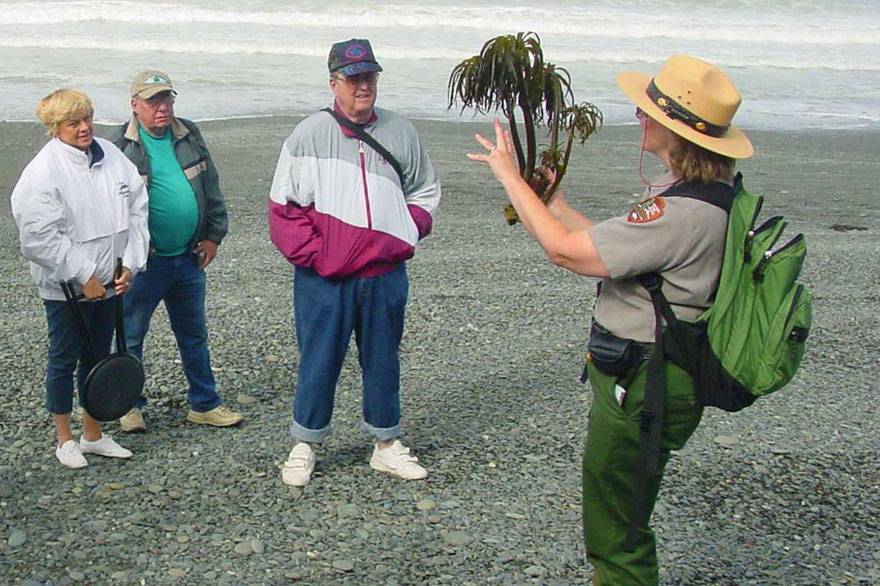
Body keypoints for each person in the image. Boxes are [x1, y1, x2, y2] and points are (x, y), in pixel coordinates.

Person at [468, 55, 754, 585]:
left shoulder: (682, 213)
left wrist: (511, 179)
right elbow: (619, 251)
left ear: (676, 132)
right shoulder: (710, 201)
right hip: (663, 373)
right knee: (624, 511)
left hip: (646, 381)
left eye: (650, 113)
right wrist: (556, 203)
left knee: (615, 530)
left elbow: (568, 254)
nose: (639, 118)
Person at [269, 39, 441, 486]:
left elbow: (425, 190)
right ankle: (305, 443)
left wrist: (406, 231)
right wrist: (319, 258)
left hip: (384, 274)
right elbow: (283, 208)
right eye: (353, 78)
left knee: (383, 358)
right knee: (318, 358)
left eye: (369, 76)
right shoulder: (308, 134)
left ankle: (386, 444)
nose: (363, 86)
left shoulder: (402, 131)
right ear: (334, 83)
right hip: (325, 279)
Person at [11, 88, 150, 468]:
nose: (84, 127)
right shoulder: (44, 172)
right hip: (66, 288)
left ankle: (93, 434)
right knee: (64, 356)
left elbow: (137, 206)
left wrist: (131, 264)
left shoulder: (112, 157)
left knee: (99, 354)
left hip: (109, 279)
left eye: (87, 118)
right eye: (73, 122)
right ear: (55, 127)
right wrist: (82, 273)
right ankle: (64, 438)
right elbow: (37, 236)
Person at [110, 70, 242, 432]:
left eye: (167, 99)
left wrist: (214, 235)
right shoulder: (118, 146)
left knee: (194, 334)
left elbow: (210, 185)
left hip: (187, 257)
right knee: (130, 336)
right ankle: (128, 405)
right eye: (153, 101)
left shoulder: (189, 134)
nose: (162, 108)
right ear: (135, 104)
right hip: (143, 264)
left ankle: (204, 403)